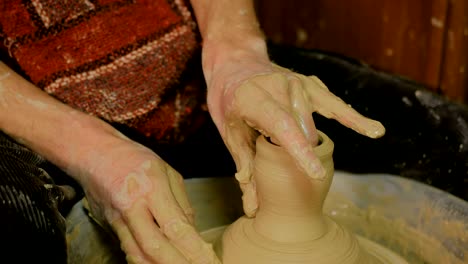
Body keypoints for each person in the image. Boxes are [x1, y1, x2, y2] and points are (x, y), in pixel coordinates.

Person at [0, 0, 384, 263]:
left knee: (420, 136)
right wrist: (90, 150)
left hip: (190, 65)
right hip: (27, 109)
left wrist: (236, 54)